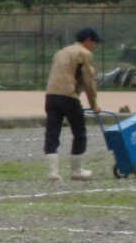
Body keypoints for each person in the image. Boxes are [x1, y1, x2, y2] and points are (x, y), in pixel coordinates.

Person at [43, 27, 102, 179]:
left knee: (52, 133)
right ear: (88, 39)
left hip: (51, 96)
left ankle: (53, 172)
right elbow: (89, 81)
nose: (94, 46)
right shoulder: (84, 53)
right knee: (79, 132)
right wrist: (94, 104)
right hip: (68, 96)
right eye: (94, 42)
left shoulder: (60, 52)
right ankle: (77, 171)